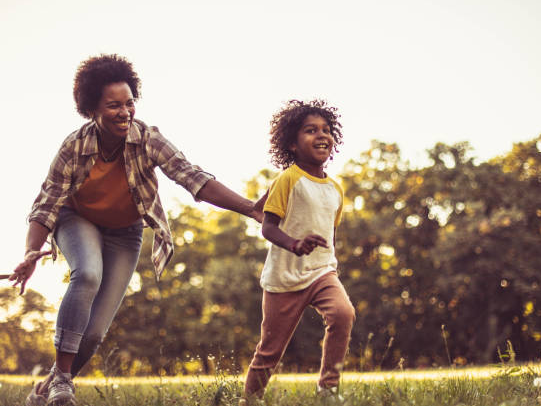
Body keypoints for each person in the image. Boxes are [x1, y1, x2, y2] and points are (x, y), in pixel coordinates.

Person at [9, 54, 264, 406]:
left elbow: (193, 179)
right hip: (77, 219)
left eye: (129, 103)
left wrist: (251, 209)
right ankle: (64, 381)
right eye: (113, 106)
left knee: (94, 332)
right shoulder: (74, 147)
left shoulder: (147, 138)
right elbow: (47, 204)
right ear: (91, 109)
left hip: (125, 232)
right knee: (87, 275)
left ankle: (47, 389)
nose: (125, 112)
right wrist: (30, 253)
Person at [240, 99, 355, 404]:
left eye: (326, 130)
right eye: (310, 130)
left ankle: (328, 389)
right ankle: (250, 399)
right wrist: (295, 244)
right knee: (269, 351)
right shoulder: (287, 179)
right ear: (292, 143)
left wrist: (329, 262)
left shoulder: (335, 189)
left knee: (343, 314)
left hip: (321, 272)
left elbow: (330, 232)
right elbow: (267, 227)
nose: (321, 135)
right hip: (284, 278)